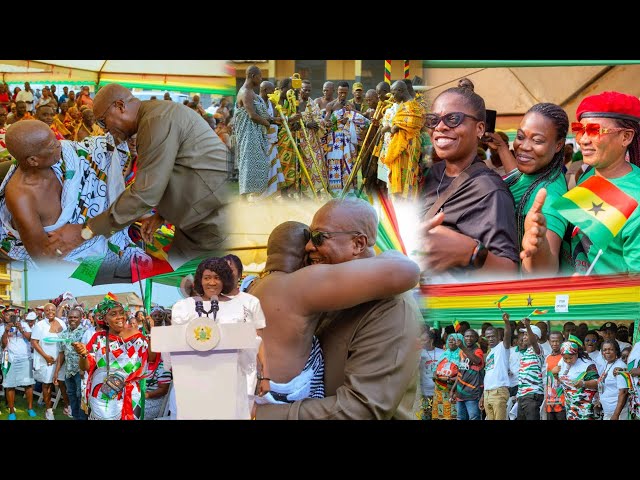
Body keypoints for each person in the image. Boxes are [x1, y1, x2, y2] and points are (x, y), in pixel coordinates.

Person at [254, 198, 421, 419]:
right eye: (308, 237)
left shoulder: (392, 307)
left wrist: (260, 414)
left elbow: (362, 408)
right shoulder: (329, 293)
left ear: (358, 244)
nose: (308, 246)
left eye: (318, 237)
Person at [46, 83, 230, 263]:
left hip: (209, 222)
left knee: (195, 281)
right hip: (198, 218)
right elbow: (177, 170)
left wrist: (85, 231)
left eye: (103, 121)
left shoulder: (154, 121)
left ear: (120, 106)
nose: (104, 130)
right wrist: (161, 215)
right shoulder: (155, 116)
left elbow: (144, 193)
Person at [521, 91, 640, 274]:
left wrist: (592, 292)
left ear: (626, 137)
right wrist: (541, 242)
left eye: (594, 131)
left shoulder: (636, 199)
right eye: (580, 130)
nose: (583, 140)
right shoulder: (588, 174)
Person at [420, 78, 519, 281]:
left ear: (480, 129)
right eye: (433, 120)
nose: (440, 127)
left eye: (453, 119)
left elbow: (508, 271)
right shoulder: (432, 173)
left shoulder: (489, 190)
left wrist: (470, 253)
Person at [0, 120, 138, 264]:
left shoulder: (67, 156)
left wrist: (86, 230)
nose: (59, 143)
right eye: (51, 145)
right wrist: (82, 234)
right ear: (33, 160)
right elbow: (43, 257)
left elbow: (100, 149)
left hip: (89, 237)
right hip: (62, 259)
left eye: (55, 138)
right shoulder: (22, 197)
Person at [171, 257, 270, 419]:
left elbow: (253, 342)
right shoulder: (183, 307)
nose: (212, 282)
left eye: (217, 278)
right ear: (199, 280)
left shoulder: (239, 307)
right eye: (207, 278)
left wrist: (263, 375)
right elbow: (176, 343)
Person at [486, 103, 569, 275]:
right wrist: (502, 147)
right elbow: (517, 176)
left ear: (559, 145)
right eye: (520, 136)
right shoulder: (536, 171)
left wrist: (538, 246)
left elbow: (545, 272)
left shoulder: (550, 196)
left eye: (537, 140)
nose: (524, 146)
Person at [72, 295, 158, 420]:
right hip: (103, 395)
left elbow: (151, 358)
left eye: (121, 313)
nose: (120, 317)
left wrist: (152, 332)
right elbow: (86, 367)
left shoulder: (137, 337)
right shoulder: (99, 339)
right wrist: (83, 354)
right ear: (105, 319)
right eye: (113, 314)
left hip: (131, 395)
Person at [380, 80, 425, 199]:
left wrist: (386, 128)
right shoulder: (406, 106)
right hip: (401, 146)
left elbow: (396, 127)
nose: (393, 97)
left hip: (408, 147)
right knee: (400, 178)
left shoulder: (411, 107)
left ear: (400, 91)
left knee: (408, 176)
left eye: (394, 94)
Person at [234, 66, 271, 200]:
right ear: (252, 75)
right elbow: (252, 115)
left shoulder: (251, 93)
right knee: (249, 166)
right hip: (249, 136)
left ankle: (254, 198)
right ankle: (244, 200)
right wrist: (267, 124)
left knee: (259, 164)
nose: (261, 79)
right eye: (260, 76)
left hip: (254, 135)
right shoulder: (246, 92)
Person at [30, 303, 67, 420]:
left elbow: (64, 339)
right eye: (47, 310)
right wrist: (46, 356)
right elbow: (34, 342)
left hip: (60, 359)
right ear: (44, 312)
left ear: (56, 311)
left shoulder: (61, 323)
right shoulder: (39, 325)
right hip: (46, 360)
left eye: (52, 310)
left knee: (62, 383)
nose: (50, 312)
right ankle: (49, 410)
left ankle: (67, 406)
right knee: (47, 385)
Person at [551, 334, 598, 420]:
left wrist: (583, 383)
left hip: (586, 407)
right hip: (570, 407)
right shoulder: (561, 362)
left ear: (576, 354)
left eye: (571, 358)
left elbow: (597, 383)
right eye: (565, 358)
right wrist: (554, 374)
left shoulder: (587, 364)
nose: (568, 361)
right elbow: (558, 384)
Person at [53, 307, 88, 420]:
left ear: (81, 318)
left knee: (81, 396)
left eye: (75, 317)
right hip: (69, 372)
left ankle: (82, 418)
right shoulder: (64, 334)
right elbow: (62, 354)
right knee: (72, 395)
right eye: (70, 317)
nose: (72, 319)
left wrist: (83, 370)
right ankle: (75, 417)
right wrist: (57, 371)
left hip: (80, 371)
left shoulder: (85, 332)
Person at [1, 313, 37, 419]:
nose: (11, 317)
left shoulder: (24, 324)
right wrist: (6, 331)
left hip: (25, 358)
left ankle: (30, 408)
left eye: (13, 315)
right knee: (9, 385)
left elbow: (30, 338)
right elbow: (3, 345)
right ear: (4, 317)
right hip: (8, 359)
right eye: (8, 315)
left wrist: (20, 328)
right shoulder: (2, 328)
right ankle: (12, 411)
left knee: (28, 384)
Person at [480, 313, 512, 420]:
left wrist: (506, 323)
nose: (490, 339)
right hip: (487, 393)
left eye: (493, 336)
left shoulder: (503, 346)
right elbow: (488, 376)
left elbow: (508, 335)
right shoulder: (489, 353)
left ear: (498, 336)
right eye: (488, 337)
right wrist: (483, 396)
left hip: (499, 392)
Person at [450, 328, 484, 420]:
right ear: (463, 338)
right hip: (460, 392)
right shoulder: (461, 352)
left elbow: (477, 361)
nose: (469, 338)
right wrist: (453, 389)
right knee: (460, 417)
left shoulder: (477, 351)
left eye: (471, 336)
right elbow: (460, 372)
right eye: (466, 336)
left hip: (472, 392)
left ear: (476, 338)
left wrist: (462, 347)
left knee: (473, 417)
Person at [516, 319, 545, 420]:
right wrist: (518, 394)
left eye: (526, 334)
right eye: (523, 334)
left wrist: (528, 326)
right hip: (522, 395)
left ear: (535, 337)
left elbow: (533, 342)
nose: (523, 337)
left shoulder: (538, 349)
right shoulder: (526, 352)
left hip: (533, 395)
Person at [432, 333, 463, 420]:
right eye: (449, 339)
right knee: (439, 415)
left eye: (453, 340)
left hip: (453, 389)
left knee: (452, 414)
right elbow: (435, 368)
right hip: (440, 389)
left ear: (459, 341)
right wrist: (435, 376)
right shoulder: (444, 353)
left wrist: (450, 379)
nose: (450, 341)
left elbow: (463, 373)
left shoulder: (462, 354)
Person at [598, 340, 629, 420]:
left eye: (611, 349)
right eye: (605, 350)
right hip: (608, 411)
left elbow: (624, 392)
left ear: (616, 351)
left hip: (618, 413)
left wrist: (616, 415)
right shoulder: (608, 364)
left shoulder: (620, 366)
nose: (607, 352)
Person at [417, 328, 444, 420]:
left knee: (439, 416)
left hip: (440, 392)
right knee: (425, 416)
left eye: (424, 340)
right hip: (424, 392)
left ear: (431, 340)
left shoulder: (442, 353)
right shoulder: (418, 354)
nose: (422, 342)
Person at [544, 331, 566, 420]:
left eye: (557, 341)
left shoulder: (565, 357)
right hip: (550, 401)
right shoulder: (547, 357)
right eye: (552, 341)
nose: (555, 344)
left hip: (562, 401)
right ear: (549, 341)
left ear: (562, 342)